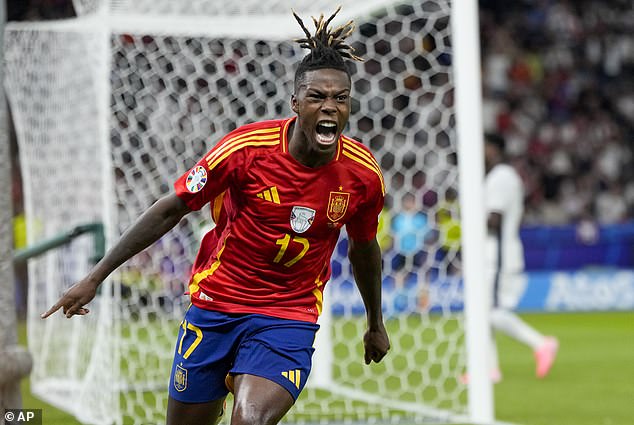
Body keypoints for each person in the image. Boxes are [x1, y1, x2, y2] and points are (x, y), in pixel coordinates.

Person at [41, 7, 390, 425]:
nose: (330, 107)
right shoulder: (246, 149)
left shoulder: (363, 175)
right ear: (296, 102)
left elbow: (364, 251)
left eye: (340, 98)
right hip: (216, 304)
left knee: (251, 419)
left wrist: (375, 323)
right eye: (317, 97)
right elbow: (171, 209)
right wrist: (96, 276)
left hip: (287, 316)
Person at [484, 133, 558, 382]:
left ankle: (540, 343)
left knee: (491, 312)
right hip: (494, 252)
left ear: (493, 149)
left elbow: (494, 219)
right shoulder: (499, 177)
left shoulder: (501, 177)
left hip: (499, 253)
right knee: (482, 313)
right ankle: (488, 369)